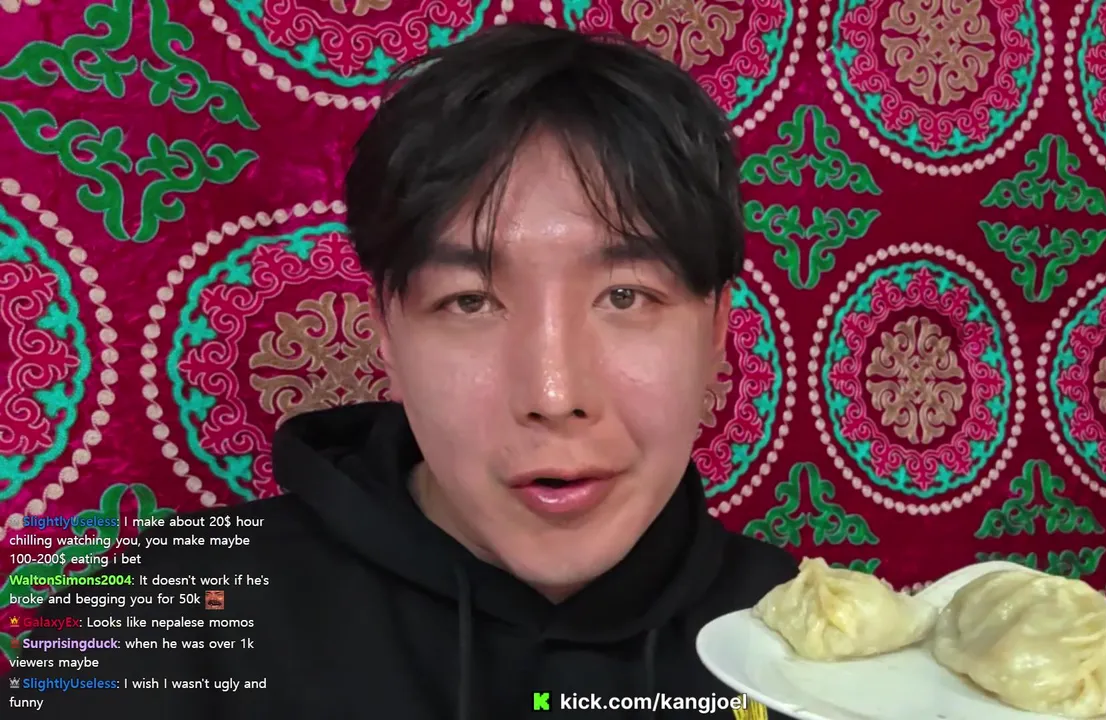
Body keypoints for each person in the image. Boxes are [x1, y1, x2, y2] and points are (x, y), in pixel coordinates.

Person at [9, 24, 798, 718]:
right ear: (385, 332)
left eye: (625, 296)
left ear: (717, 330)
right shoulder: (147, 627)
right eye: (470, 301)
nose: (554, 396)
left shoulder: (808, 644)